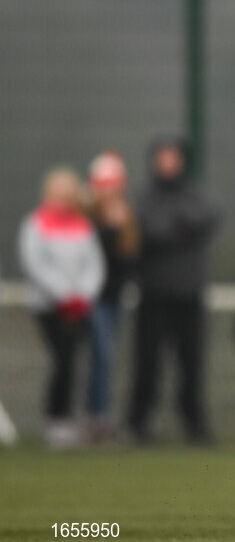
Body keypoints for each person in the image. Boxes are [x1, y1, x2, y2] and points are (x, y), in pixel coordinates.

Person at [128, 136, 220, 444]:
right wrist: (177, 230)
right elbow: (147, 228)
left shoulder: (195, 193)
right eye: (162, 157)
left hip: (189, 296)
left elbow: (207, 216)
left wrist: (169, 229)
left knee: (191, 365)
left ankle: (195, 425)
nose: (168, 163)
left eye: (173, 156)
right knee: (147, 364)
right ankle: (138, 424)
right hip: (153, 295)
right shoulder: (145, 196)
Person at [19, 166, 105, 449]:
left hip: (79, 307)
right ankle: (55, 420)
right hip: (49, 306)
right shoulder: (36, 224)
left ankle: (66, 420)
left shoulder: (82, 225)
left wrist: (83, 294)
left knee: (73, 360)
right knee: (62, 359)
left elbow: (94, 265)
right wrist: (64, 294)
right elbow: (35, 264)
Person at [86, 150, 139, 441]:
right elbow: (90, 256)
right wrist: (109, 228)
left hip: (113, 297)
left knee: (106, 358)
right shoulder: (89, 216)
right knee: (102, 357)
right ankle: (96, 416)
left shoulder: (125, 218)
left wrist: (119, 228)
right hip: (92, 298)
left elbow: (127, 259)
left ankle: (100, 416)